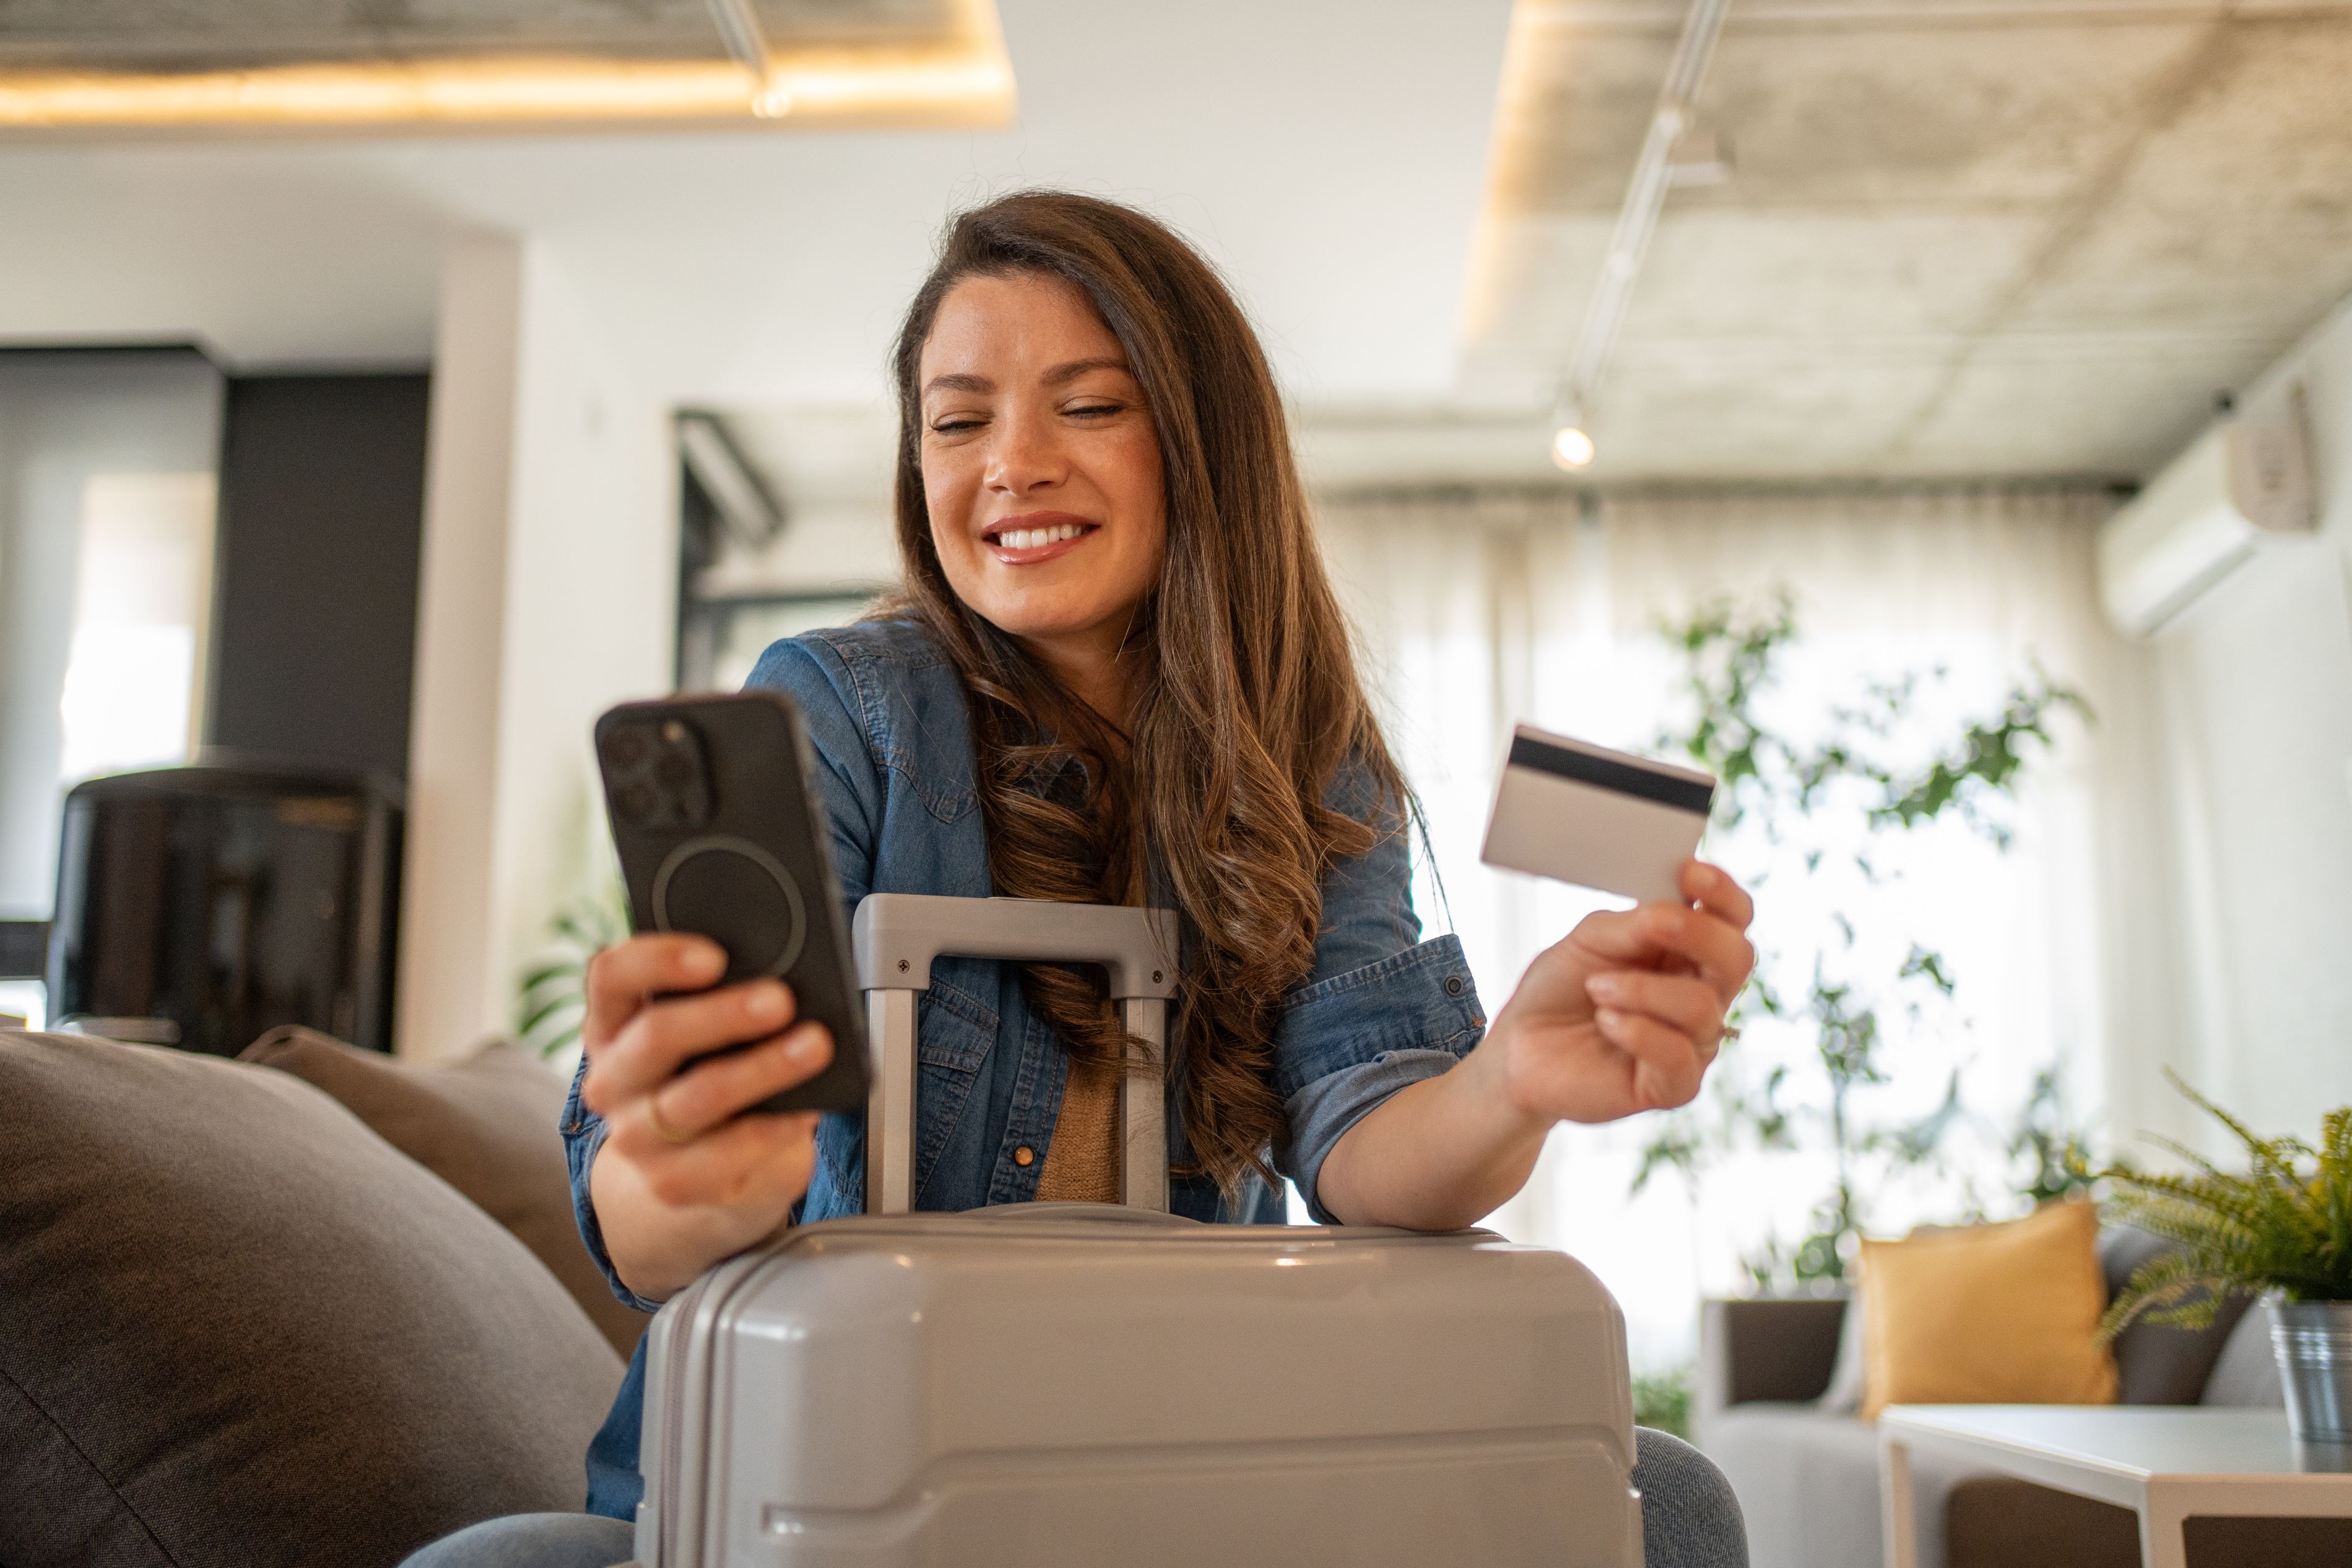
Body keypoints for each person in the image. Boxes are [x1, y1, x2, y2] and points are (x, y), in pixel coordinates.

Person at [406, 190, 1756, 1568]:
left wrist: (1511, 1080)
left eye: (1091, 406)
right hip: (818, 1478)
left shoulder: (1310, 759)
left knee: (1669, 1500)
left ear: (1203, 444)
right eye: (958, 421)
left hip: (1154, 1463)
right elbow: (651, 1229)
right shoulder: (845, 712)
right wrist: (688, 1175)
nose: (1012, 464)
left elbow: (1364, 1136)